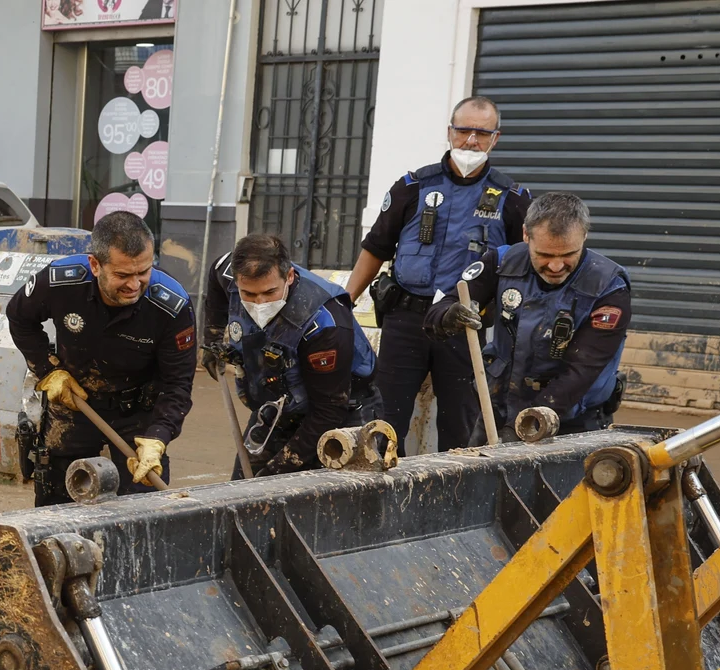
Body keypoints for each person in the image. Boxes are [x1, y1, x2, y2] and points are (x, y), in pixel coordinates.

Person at [345, 96, 532, 452]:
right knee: (384, 421)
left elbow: (523, 264)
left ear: (496, 137)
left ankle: (450, 500)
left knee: (459, 427)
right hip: (404, 320)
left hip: (465, 327)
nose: (471, 141)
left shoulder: (513, 199)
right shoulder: (412, 187)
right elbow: (376, 248)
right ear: (450, 132)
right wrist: (344, 302)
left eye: (482, 133)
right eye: (463, 131)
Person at [4, 211, 196, 506]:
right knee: (58, 504)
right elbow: (19, 317)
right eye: (122, 275)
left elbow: (178, 384)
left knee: (142, 509)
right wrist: (47, 369)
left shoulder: (171, 305)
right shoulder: (60, 282)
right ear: (95, 264)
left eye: (143, 272)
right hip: (74, 401)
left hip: (138, 414)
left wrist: (159, 435)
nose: (134, 285)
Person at [425, 192, 628, 437]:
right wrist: (449, 316)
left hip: (574, 423)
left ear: (584, 236)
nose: (556, 266)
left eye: (568, 255)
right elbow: (439, 311)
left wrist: (522, 429)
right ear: (525, 235)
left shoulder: (609, 288)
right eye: (544, 255)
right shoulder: (501, 263)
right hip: (497, 414)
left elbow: (579, 373)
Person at [203, 233, 380, 477]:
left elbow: (328, 411)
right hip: (280, 401)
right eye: (249, 295)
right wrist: (211, 336)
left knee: (325, 502)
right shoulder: (229, 272)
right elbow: (215, 272)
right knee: (242, 493)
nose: (260, 304)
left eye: (269, 292)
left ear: (289, 276)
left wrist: (275, 471)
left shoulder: (326, 323)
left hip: (342, 409)